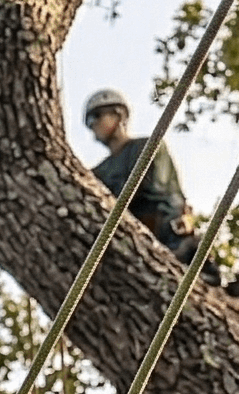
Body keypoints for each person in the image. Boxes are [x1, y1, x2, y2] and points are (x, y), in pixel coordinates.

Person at [84, 86, 204, 268]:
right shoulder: (99, 171)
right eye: (89, 121)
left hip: (169, 234)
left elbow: (147, 187)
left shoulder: (149, 146)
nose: (93, 124)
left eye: (96, 116)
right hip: (134, 245)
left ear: (118, 114)